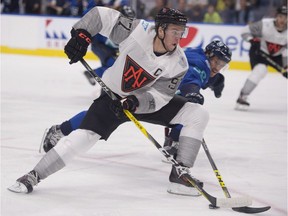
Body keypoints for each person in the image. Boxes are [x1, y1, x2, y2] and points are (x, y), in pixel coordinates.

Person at [8, 7, 209, 197]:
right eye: (175, 31)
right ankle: (33, 176)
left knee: (198, 114)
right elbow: (101, 16)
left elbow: (161, 96)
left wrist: (135, 102)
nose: (179, 37)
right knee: (82, 138)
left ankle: (180, 175)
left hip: (140, 103)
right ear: (161, 29)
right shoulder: (138, 31)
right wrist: (82, 35)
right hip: (112, 98)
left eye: (182, 32)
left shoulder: (179, 62)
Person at [41, 40, 231, 160]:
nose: (217, 66)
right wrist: (193, 91)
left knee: (187, 111)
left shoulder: (204, 63)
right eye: (216, 61)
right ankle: (58, 131)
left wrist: (216, 81)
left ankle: (172, 140)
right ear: (208, 55)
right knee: (101, 116)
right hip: (138, 94)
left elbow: (205, 76)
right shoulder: (198, 63)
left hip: (156, 97)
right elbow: (192, 77)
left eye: (222, 65)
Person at [236, 5, 287, 110]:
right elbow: (244, 31)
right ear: (276, 16)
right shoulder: (264, 24)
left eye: (286, 17)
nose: (283, 19)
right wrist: (251, 40)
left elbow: (286, 51)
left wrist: (286, 66)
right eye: (281, 16)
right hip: (258, 52)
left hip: (278, 56)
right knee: (260, 70)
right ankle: (243, 96)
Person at [83, 5, 136, 85]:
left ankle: (94, 75)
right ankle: (93, 74)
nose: (130, 22)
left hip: (108, 48)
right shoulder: (110, 22)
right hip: (100, 46)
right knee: (113, 66)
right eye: (128, 19)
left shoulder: (127, 27)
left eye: (131, 20)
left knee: (114, 67)